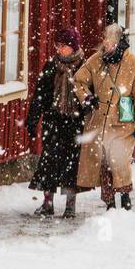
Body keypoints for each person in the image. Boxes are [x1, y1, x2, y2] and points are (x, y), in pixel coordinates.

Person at [73, 23, 135, 210]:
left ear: (119, 42)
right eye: (105, 39)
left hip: (123, 124)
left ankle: (124, 197)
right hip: (99, 122)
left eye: (110, 40)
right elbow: (78, 80)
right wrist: (87, 98)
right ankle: (109, 202)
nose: (105, 44)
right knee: (103, 163)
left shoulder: (134, 64)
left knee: (119, 161)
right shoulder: (96, 60)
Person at [26, 27, 86, 218]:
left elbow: (90, 95)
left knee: (71, 165)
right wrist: (33, 118)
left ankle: (70, 206)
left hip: (75, 123)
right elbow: (40, 96)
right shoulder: (51, 66)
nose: (59, 49)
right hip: (53, 122)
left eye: (63, 46)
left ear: (73, 46)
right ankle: (47, 203)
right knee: (49, 163)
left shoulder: (85, 67)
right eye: (57, 45)